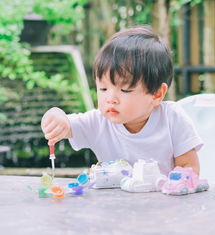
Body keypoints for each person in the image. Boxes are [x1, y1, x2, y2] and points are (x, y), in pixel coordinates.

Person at [41, 25, 203, 176]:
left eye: (125, 90)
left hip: (163, 203)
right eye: (103, 89)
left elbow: (189, 169)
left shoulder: (172, 119)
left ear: (157, 94)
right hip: (113, 204)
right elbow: (67, 124)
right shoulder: (98, 122)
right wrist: (56, 115)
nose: (111, 99)